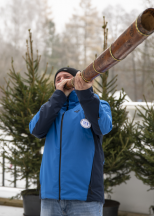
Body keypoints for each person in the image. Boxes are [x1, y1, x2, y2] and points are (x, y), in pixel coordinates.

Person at [29, 67, 112, 216]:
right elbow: (35, 130)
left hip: (86, 197)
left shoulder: (98, 103)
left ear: (76, 80)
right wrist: (58, 98)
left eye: (66, 77)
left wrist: (85, 93)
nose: (61, 80)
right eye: (57, 79)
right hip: (50, 197)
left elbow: (104, 126)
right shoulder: (49, 109)